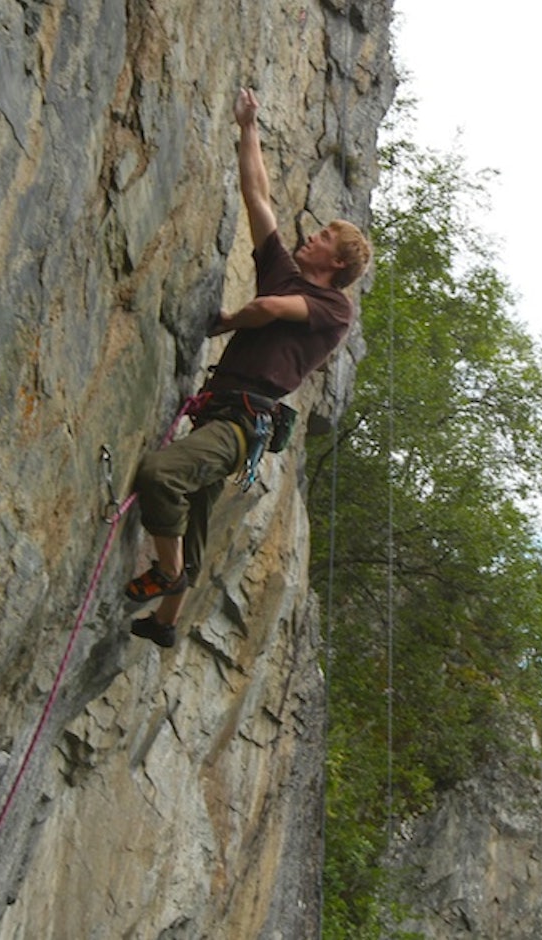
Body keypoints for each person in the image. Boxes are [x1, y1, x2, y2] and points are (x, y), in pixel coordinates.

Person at [124, 86, 371, 648]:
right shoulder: (283, 270)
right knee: (195, 524)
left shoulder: (333, 308)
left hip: (241, 425)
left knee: (162, 476)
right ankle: (165, 624)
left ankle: (165, 574)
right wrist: (247, 127)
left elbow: (266, 310)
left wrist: (226, 320)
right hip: (222, 414)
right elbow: (257, 195)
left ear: (337, 262)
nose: (312, 234)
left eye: (325, 236)